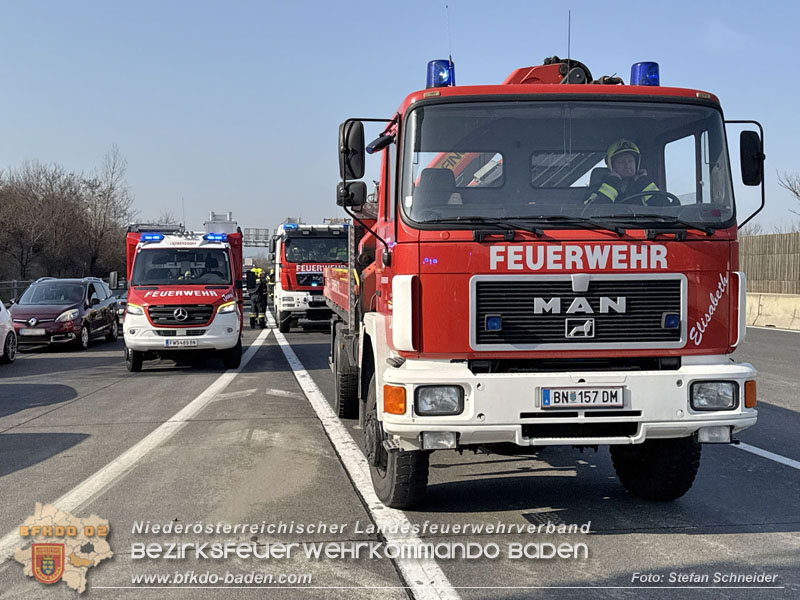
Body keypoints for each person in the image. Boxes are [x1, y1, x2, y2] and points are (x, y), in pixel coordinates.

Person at [585, 139, 659, 205]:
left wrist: (643, 182)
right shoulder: (598, 188)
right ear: (612, 166)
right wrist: (613, 183)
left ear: (637, 163)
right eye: (621, 162)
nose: (627, 166)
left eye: (630, 161)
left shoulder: (644, 185)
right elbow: (590, 211)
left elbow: (664, 207)